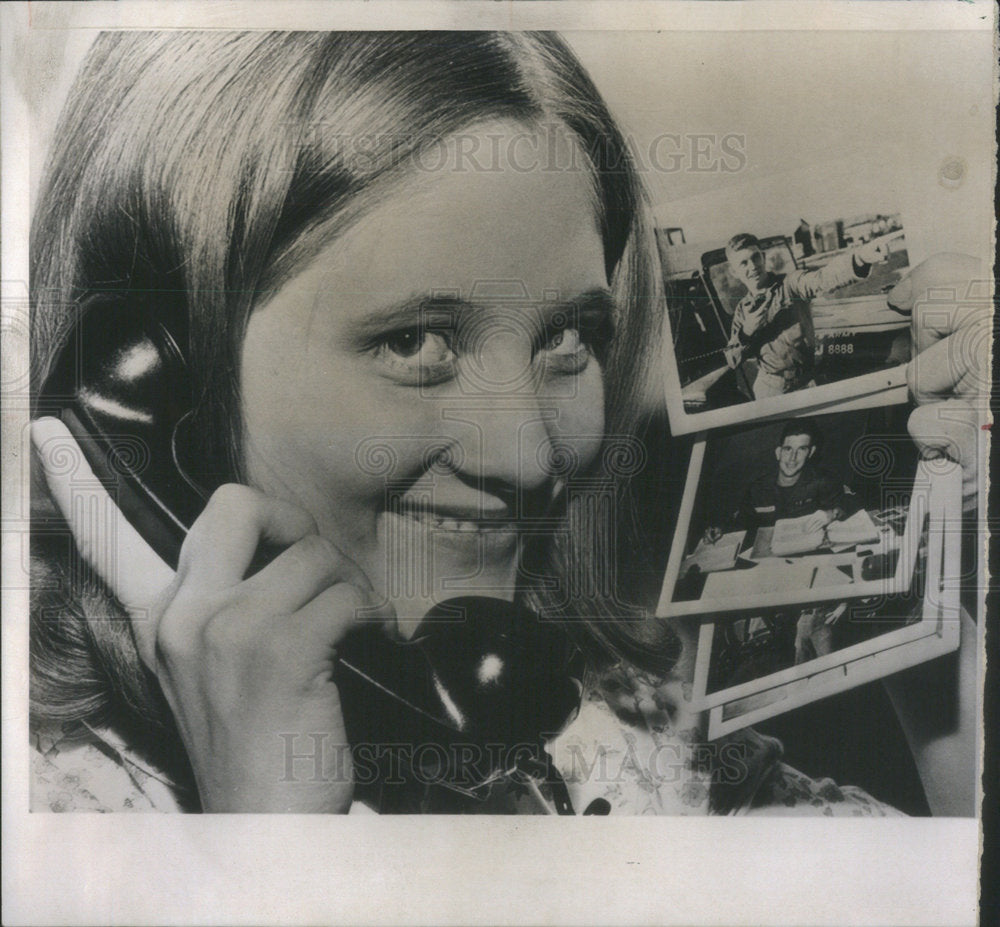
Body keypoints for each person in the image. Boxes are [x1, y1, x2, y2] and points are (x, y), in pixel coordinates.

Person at [26, 32, 981, 817]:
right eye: (415, 342)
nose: (529, 456)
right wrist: (270, 845)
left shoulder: (612, 732)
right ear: (157, 378)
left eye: (570, 337)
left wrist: (938, 629)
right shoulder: (52, 812)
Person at [723, 231, 890, 399]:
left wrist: (860, 258)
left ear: (764, 257)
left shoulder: (790, 284)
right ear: (734, 272)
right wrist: (746, 332)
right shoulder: (742, 311)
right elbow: (733, 359)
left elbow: (822, 279)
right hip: (771, 390)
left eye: (755, 257)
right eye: (743, 263)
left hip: (809, 381)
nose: (752, 266)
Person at [703, 417, 850, 543]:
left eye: (801, 449)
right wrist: (720, 529)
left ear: (810, 453)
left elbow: (851, 502)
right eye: (788, 449)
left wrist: (832, 513)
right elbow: (742, 521)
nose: (793, 458)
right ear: (778, 452)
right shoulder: (758, 489)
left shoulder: (822, 481)